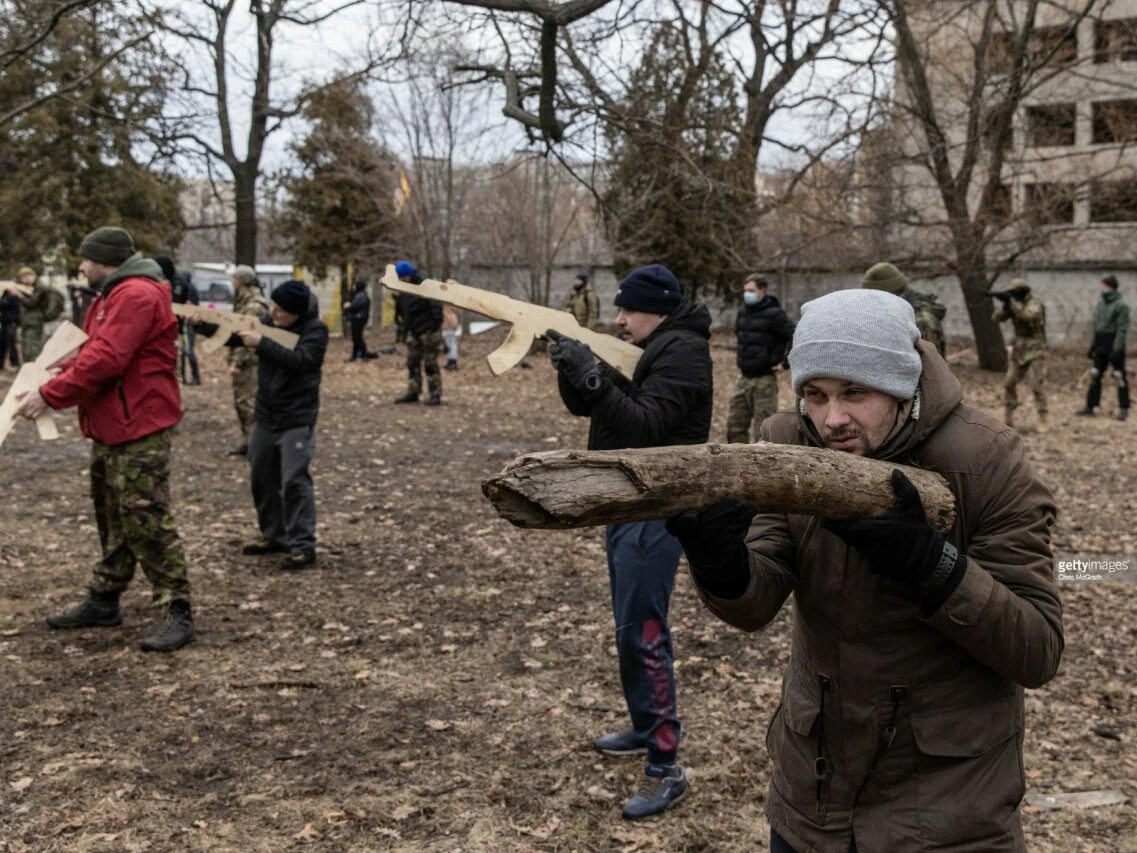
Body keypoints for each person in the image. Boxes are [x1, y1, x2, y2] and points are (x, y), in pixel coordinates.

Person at [668, 288, 1062, 852]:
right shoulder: (786, 440)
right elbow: (756, 601)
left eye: (856, 392)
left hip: (948, 814)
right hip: (814, 805)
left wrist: (933, 565)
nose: (832, 419)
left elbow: (1037, 648)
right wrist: (720, 562)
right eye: (815, 394)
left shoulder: (987, 461)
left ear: (900, 385)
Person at [547, 263, 713, 820]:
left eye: (627, 311)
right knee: (628, 629)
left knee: (645, 632)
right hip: (626, 503)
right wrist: (573, 372)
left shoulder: (683, 351)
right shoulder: (644, 346)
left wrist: (592, 377)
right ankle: (646, 727)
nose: (618, 320)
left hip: (658, 510)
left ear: (656, 310)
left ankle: (667, 765)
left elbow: (646, 427)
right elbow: (589, 407)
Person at [15, 226, 194, 652]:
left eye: (85, 259)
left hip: (139, 427)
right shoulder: (110, 296)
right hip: (113, 425)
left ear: (103, 260)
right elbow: (93, 352)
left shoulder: (134, 295)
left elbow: (107, 359)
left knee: (146, 519)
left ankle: (177, 609)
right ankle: (105, 598)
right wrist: (56, 373)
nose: (80, 266)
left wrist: (50, 395)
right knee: (114, 515)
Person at [235, 280, 328, 570]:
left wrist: (262, 343)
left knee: (294, 480)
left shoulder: (315, 331)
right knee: (261, 476)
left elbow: (302, 360)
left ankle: (303, 545)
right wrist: (203, 324)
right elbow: (234, 335)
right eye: (273, 306)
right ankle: (274, 535)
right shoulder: (268, 320)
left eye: (281, 310)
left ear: (297, 313)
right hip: (266, 414)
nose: (273, 312)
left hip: (297, 417)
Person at [726, 274, 795, 443]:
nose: (746, 294)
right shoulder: (742, 312)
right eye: (745, 291)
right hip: (744, 378)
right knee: (735, 425)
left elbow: (794, 336)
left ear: (763, 291)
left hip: (764, 381)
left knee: (763, 432)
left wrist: (785, 363)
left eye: (751, 290)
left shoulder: (775, 314)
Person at [991, 279, 1047, 431]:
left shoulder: (1035, 303)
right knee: (1009, 382)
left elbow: (1028, 316)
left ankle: (1043, 418)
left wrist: (1012, 303)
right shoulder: (1014, 304)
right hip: (1019, 350)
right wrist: (1005, 305)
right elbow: (996, 318)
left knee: (1036, 385)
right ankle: (1008, 415)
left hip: (1036, 349)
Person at [861, 262, 947, 357]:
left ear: (888, 293)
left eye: (874, 297)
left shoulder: (920, 320)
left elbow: (931, 366)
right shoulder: (900, 314)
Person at [227, 265, 269, 454]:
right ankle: (248, 441)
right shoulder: (243, 302)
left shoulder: (253, 306)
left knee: (248, 403)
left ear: (241, 282)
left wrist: (238, 362)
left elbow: (247, 337)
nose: (232, 282)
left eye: (234, 279)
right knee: (241, 402)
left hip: (249, 362)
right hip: (245, 360)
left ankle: (255, 444)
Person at [1076, 274, 1130, 421]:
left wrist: (1116, 349)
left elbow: (1122, 329)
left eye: (1104, 286)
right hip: (1101, 342)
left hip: (1113, 343)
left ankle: (1124, 409)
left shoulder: (1121, 305)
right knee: (1095, 374)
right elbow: (1096, 327)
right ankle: (1090, 406)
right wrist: (1093, 346)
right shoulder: (1101, 304)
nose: (1102, 289)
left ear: (1111, 287)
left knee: (1119, 376)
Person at [392, 261, 443, 406]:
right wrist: (397, 299)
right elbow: (403, 312)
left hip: (428, 331)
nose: (402, 281)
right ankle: (413, 390)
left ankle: (435, 393)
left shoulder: (425, 286)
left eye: (404, 278)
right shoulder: (403, 290)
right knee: (412, 362)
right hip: (413, 331)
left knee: (430, 364)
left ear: (409, 275)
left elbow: (436, 307)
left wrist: (433, 328)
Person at [10, 266, 52, 361]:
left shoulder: (40, 287)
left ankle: (34, 370)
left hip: (34, 322)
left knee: (33, 349)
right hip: (28, 321)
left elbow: (32, 303)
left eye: (26, 277)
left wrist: (19, 295)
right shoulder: (31, 287)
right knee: (25, 347)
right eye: (23, 278)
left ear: (32, 275)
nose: (25, 281)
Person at [170, 270, 201, 385]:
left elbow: (194, 308)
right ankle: (183, 377)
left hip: (188, 325)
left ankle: (195, 377)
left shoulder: (190, 289)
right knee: (183, 352)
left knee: (188, 351)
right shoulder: (179, 288)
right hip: (181, 324)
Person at [343, 277, 377, 362]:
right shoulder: (361, 295)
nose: (353, 287)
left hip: (358, 319)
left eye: (355, 285)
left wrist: (348, 306)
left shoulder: (360, 296)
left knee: (357, 338)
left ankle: (364, 355)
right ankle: (355, 356)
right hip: (359, 319)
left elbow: (354, 307)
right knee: (356, 338)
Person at [0, 284, 20, 369]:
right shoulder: (5, 296)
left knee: (11, 344)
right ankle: (1, 364)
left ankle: (14, 363)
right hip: (4, 323)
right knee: (2, 344)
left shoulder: (13, 297)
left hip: (12, 323)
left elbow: (3, 303)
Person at [442, 303, 460, 370]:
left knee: (450, 343)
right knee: (451, 343)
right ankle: (451, 361)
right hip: (453, 322)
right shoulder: (453, 304)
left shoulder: (446, 303)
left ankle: (452, 362)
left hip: (448, 323)